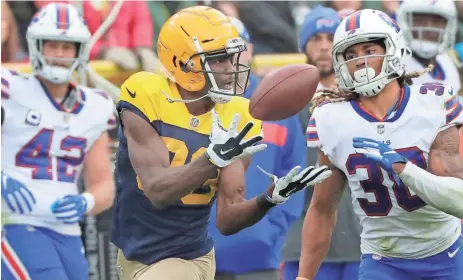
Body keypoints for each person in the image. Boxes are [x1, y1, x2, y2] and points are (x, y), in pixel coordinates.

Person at [110, 6, 332, 280]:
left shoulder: (239, 113)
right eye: (218, 60)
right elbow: (157, 190)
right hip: (133, 253)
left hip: (188, 258)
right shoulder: (146, 93)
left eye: (232, 58)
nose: (231, 68)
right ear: (183, 62)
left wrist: (268, 199)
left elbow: (227, 220)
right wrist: (210, 160)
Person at [297, 9, 463, 280]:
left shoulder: (433, 103)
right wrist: (303, 278)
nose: (360, 61)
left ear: (393, 49)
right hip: (382, 261)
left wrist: (404, 169)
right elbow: (322, 209)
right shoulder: (331, 118)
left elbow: (459, 200)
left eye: (369, 49)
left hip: (445, 256)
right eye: (351, 55)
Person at [1, 3, 116, 280]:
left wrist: (85, 202)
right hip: (13, 223)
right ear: (36, 46)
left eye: (67, 47)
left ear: (80, 51)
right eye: (52, 45)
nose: (59, 54)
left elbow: (103, 185)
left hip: (65, 231)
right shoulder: (10, 89)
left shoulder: (95, 107)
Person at [209, 17, 307, 280]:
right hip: (198, 257)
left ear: (251, 50)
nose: (231, 60)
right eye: (221, 53)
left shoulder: (277, 105)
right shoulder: (194, 104)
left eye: (238, 50)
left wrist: (271, 231)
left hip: (259, 258)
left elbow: (295, 174)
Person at [283, 6, 361, 280]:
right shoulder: (286, 101)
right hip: (302, 242)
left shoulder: (364, 99)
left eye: (331, 38)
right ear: (303, 44)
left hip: (361, 243)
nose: (325, 47)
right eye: (316, 39)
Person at [396, 0, 460, 93]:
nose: (429, 28)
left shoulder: (447, 62)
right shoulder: (394, 67)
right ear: (406, 21)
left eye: (437, 21)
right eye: (421, 20)